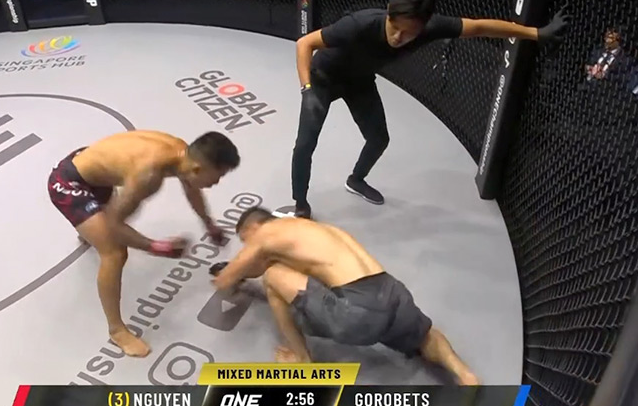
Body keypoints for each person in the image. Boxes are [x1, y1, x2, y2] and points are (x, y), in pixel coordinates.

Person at [291, 0, 570, 218]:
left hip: (359, 81)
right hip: (323, 78)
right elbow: (305, 43)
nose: (398, 37)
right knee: (306, 143)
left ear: (422, 27)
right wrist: (307, 89)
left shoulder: (430, 27)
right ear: (388, 13)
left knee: (379, 139)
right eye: (394, 28)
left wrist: (536, 33)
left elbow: (478, 27)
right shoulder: (359, 24)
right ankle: (301, 205)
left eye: (408, 33)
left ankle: (356, 179)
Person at [210, 207, 479, 386]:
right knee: (425, 334)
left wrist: (231, 274)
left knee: (272, 276)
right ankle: (464, 373)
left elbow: (226, 281)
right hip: (392, 292)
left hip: (357, 311)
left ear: (255, 227)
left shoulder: (264, 234)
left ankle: (302, 359)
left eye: (245, 240)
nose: (247, 246)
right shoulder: (307, 228)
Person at [47, 130, 240, 357]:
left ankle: (89, 229)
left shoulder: (183, 153)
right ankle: (117, 330)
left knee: (105, 224)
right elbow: (114, 224)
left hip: (95, 172)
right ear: (198, 169)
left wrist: (209, 223)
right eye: (218, 176)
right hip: (69, 183)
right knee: (115, 253)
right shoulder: (148, 175)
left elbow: (191, 189)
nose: (217, 183)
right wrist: (155, 247)